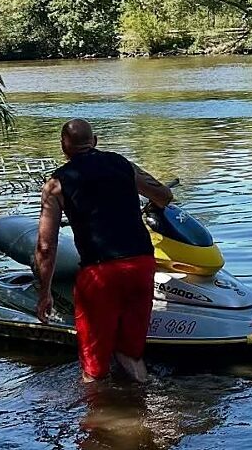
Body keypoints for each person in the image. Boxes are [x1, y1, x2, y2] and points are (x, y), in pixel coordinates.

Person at [34, 118, 173, 383]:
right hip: (140, 265)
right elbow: (164, 196)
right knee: (131, 354)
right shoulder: (122, 165)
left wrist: (44, 294)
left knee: (94, 368)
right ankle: (142, 410)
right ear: (95, 141)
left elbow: (45, 246)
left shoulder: (56, 185)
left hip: (99, 273)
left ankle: (98, 419)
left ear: (64, 147)